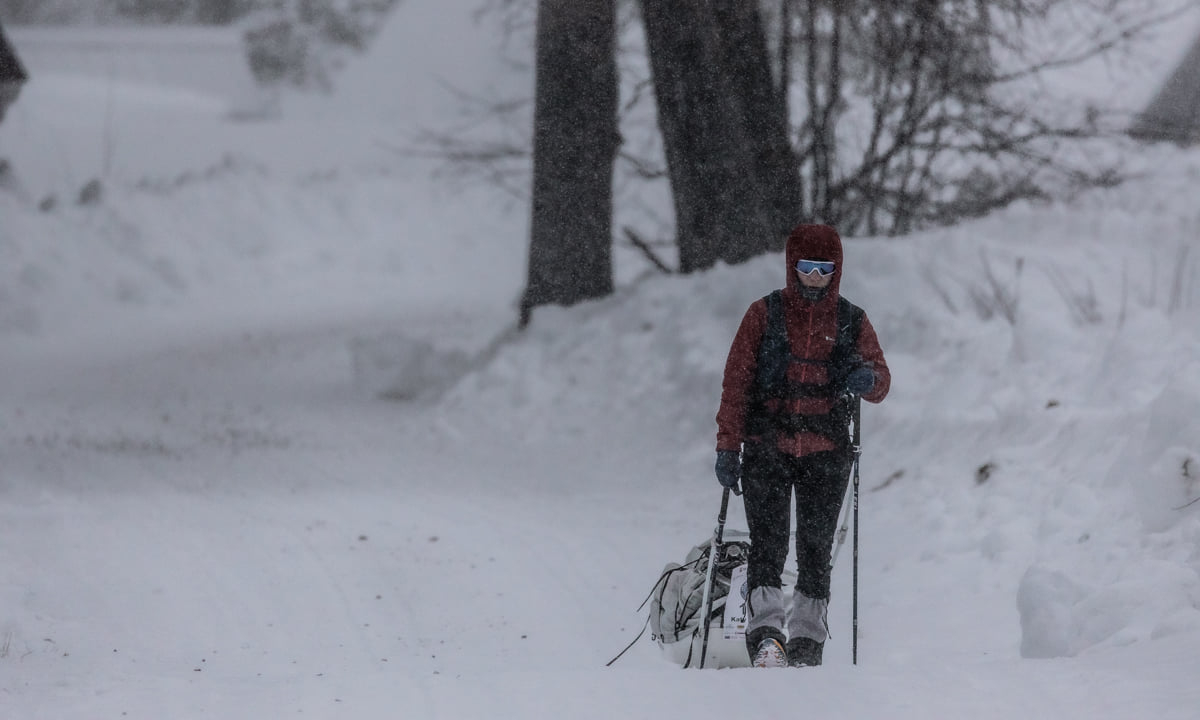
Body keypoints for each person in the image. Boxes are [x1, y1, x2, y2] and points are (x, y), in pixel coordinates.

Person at [714, 223, 890, 668]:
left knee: (815, 549)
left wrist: (867, 379)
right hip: (766, 446)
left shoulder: (852, 320)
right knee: (768, 543)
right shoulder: (763, 314)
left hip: (826, 451)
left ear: (837, 270)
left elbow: (881, 380)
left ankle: (807, 641)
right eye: (806, 267)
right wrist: (727, 446)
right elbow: (736, 384)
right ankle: (767, 636)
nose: (815, 277)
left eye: (824, 268)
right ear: (792, 267)